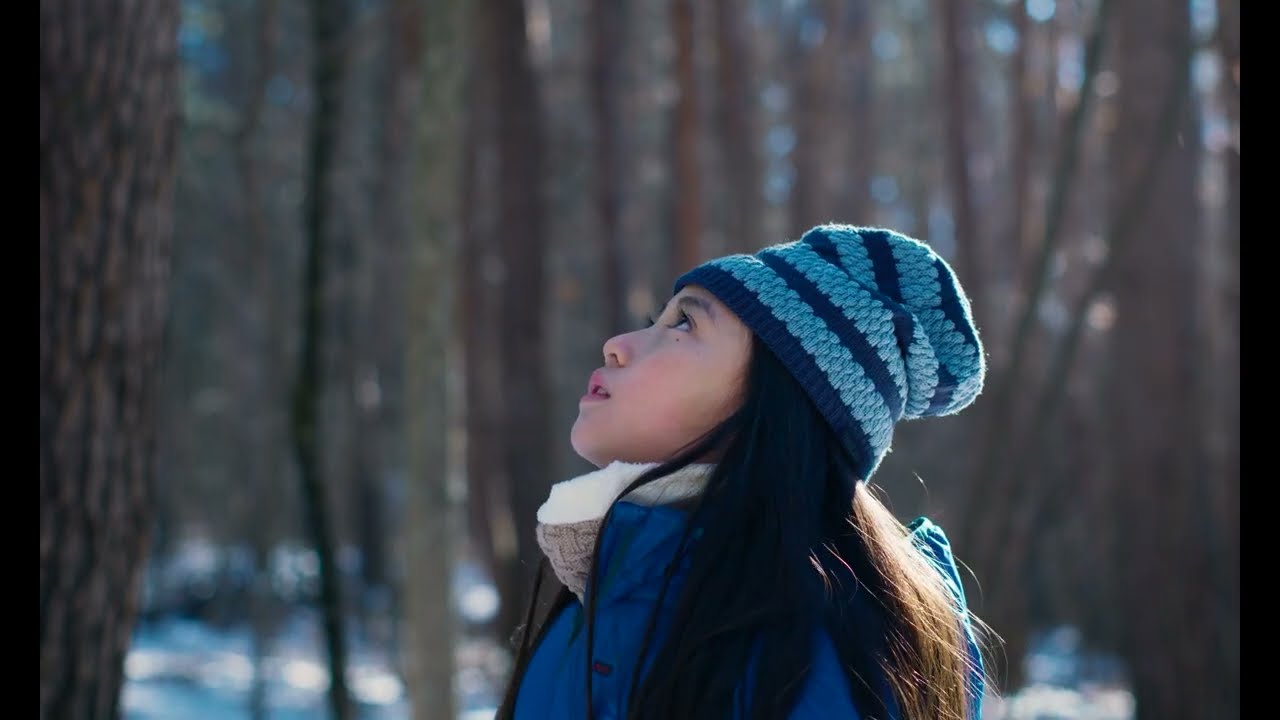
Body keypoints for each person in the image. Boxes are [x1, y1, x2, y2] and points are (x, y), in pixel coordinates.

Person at [497, 224, 992, 719]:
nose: (617, 344)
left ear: (773, 403)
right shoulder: (615, 584)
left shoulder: (814, 653)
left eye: (684, 324)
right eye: (655, 320)